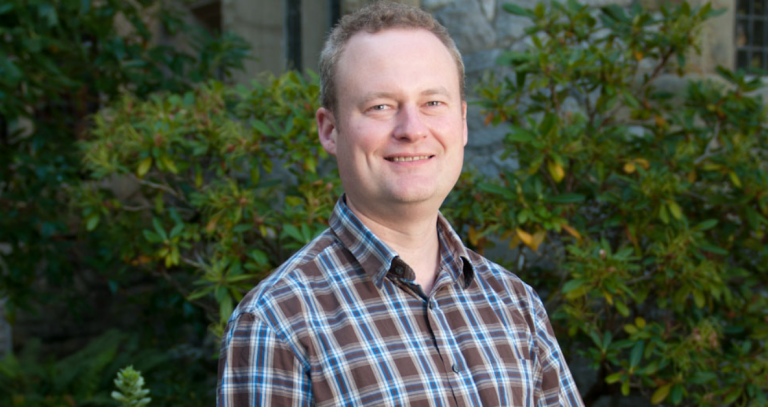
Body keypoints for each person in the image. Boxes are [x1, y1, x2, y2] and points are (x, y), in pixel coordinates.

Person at [217, 2, 584, 406]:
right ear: (330, 129)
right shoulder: (277, 323)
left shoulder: (516, 304)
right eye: (380, 106)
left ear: (462, 122)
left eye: (432, 103)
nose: (412, 129)